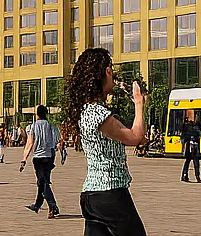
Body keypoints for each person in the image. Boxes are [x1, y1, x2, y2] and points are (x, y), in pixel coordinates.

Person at [68, 47, 148, 236]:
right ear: (106, 72)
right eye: (111, 71)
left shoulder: (86, 111)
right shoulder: (100, 114)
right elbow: (135, 137)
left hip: (91, 196)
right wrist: (139, 103)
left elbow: (134, 135)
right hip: (110, 193)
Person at [20, 104, 60, 218]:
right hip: (49, 157)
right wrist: (63, 154)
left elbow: (30, 143)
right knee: (43, 182)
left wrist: (24, 159)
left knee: (43, 182)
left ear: (37, 114)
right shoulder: (51, 126)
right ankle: (37, 205)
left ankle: (53, 206)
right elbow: (58, 141)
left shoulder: (34, 126)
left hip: (38, 158)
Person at [179, 111, 201, 182]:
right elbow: (184, 137)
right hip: (189, 147)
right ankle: (185, 175)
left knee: (195, 162)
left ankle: (196, 176)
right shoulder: (188, 126)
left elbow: (199, 136)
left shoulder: (197, 126)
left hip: (194, 147)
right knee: (189, 161)